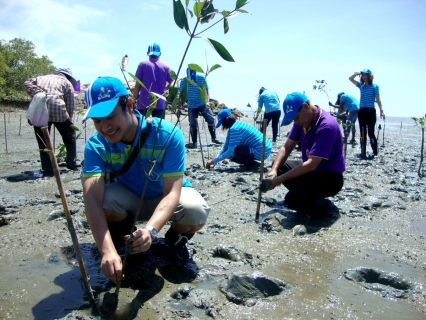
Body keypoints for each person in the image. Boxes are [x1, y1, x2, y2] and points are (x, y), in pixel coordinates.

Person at [82, 76, 210, 283]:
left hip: (165, 196)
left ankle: (172, 242)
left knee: (195, 209)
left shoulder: (168, 135)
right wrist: (106, 251)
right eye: (97, 121)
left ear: (130, 105)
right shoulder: (96, 146)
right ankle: (126, 243)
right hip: (130, 200)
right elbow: (92, 200)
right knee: (103, 202)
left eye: (110, 117)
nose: (105, 127)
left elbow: (172, 193)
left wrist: (151, 230)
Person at [260, 92, 345, 218]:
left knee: (292, 200)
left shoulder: (327, 126)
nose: (296, 122)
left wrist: (277, 181)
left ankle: (326, 208)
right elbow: (286, 147)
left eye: (296, 117)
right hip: (311, 173)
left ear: (305, 106)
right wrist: (273, 172)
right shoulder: (302, 122)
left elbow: (311, 164)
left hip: (329, 177)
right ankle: (306, 195)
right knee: (279, 166)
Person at [24, 68, 79, 176]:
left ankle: (47, 169)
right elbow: (70, 103)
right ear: (67, 76)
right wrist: (69, 121)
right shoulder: (67, 82)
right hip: (58, 108)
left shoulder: (40, 78)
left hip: (40, 109)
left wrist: (37, 92)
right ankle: (71, 163)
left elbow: (27, 82)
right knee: (70, 136)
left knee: (43, 141)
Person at [206, 108, 272, 168]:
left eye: (222, 123)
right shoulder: (235, 125)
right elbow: (224, 147)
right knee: (229, 150)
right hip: (266, 147)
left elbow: (229, 152)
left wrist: (213, 161)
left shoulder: (235, 129)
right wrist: (215, 162)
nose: (222, 125)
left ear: (226, 121)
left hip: (262, 151)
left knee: (231, 153)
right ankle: (251, 163)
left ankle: (253, 164)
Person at [178, 68, 222, 148]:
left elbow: (207, 90)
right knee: (192, 123)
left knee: (211, 119)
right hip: (191, 104)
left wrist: (207, 101)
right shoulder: (184, 81)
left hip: (202, 102)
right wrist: (179, 107)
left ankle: (214, 138)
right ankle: (194, 143)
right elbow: (180, 94)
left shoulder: (201, 78)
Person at [349, 68, 384, 157]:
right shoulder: (361, 86)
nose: (364, 77)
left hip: (370, 111)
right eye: (363, 75)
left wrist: (381, 110)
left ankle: (375, 152)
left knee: (371, 133)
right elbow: (350, 79)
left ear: (370, 76)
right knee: (362, 132)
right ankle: (363, 152)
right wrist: (357, 73)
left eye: (366, 75)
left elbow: (378, 99)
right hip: (362, 111)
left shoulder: (375, 86)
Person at [133, 43, 173, 119]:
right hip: (160, 104)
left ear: (148, 53)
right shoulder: (166, 67)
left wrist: (134, 100)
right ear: (160, 53)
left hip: (143, 104)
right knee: (158, 129)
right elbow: (174, 82)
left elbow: (137, 85)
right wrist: (167, 87)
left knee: (143, 129)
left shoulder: (142, 64)